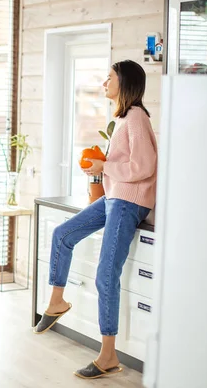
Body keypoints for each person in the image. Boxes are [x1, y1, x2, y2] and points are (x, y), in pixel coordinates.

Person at [33, 60, 157, 379]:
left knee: (105, 275)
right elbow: (122, 165)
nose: (104, 83)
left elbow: (144, 167)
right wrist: (101, 169)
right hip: (114, 197)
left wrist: (105, 168)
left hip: (128, 202)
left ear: (124, 83)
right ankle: (57, 301)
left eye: (109, 78)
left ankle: (108, 355)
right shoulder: (124, 118)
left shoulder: (137, 117)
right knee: (63, 233)